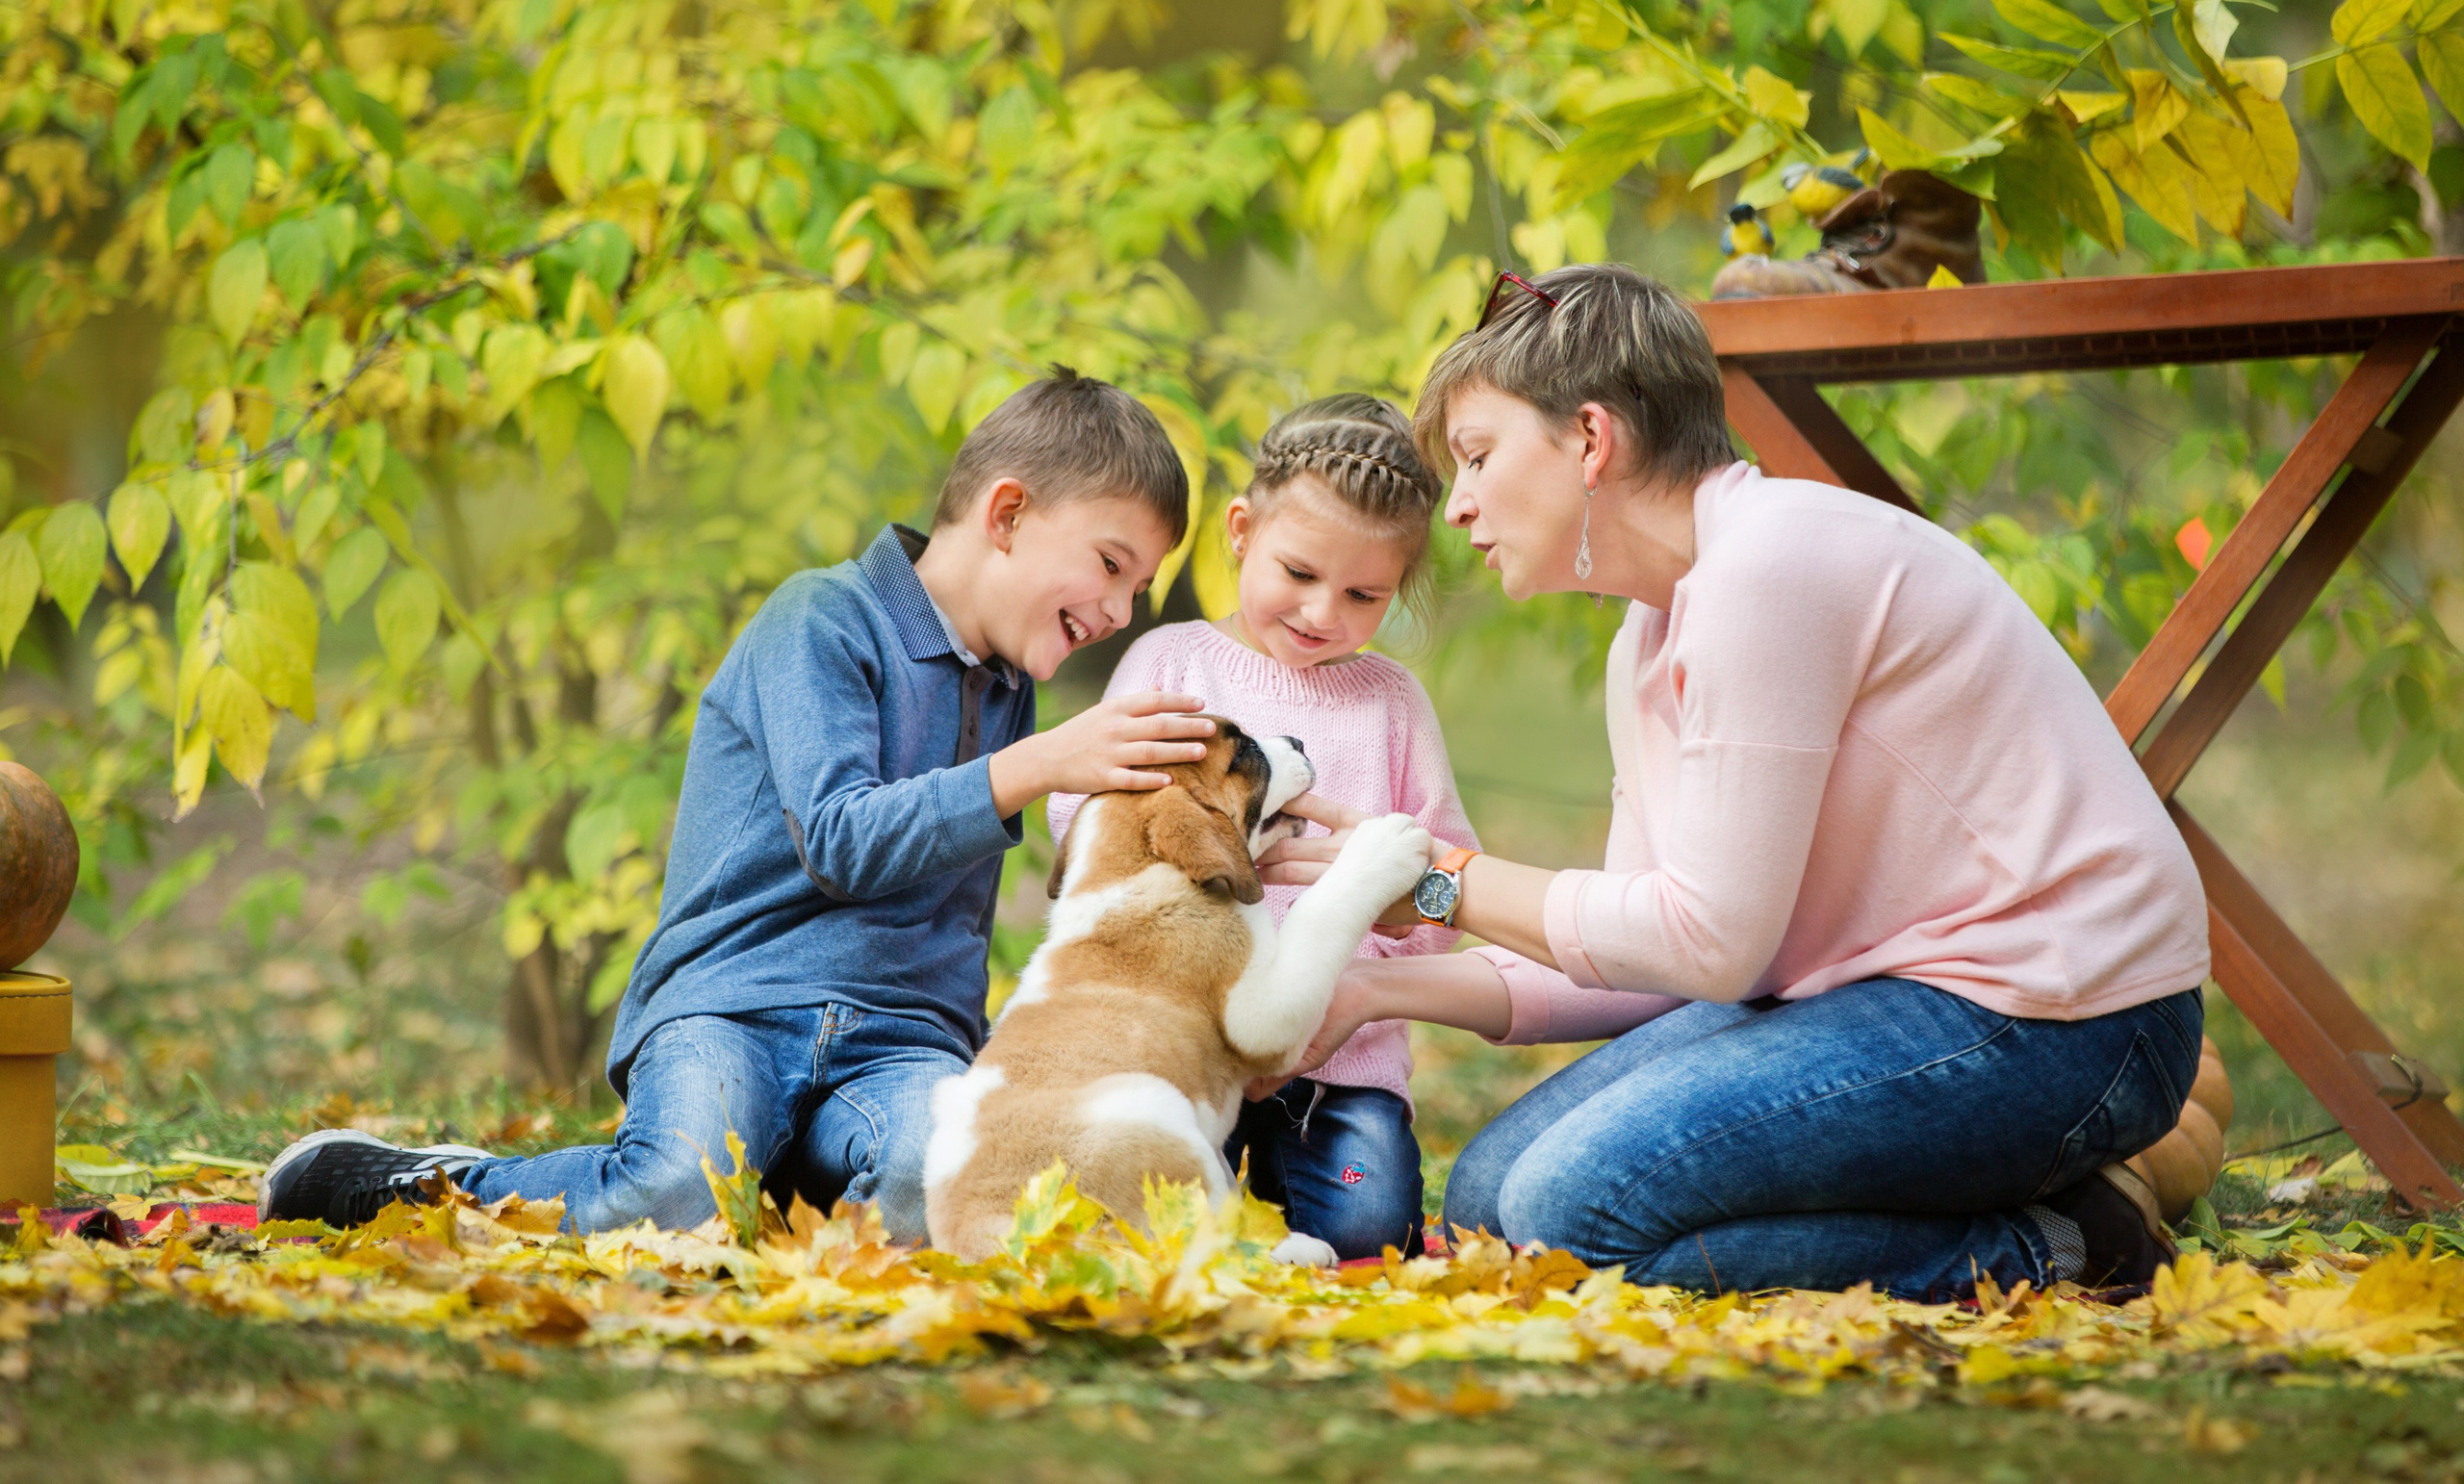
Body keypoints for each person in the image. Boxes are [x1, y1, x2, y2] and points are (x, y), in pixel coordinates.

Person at [1261, 265, 2210, 1301]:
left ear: (1589, 440)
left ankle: (2058, 1246)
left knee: (1559, 1217)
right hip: (1894, 1004)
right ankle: (2047, 1207)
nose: (1461, 509)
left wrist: (1438, 879)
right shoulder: (1654, 628)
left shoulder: (1772, 567)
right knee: (1490, 1201)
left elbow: (1706, 942)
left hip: (2064, 1022)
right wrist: (1365, 990)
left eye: (1479, 458)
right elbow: (1644, 957)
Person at [260, 368, 1223, 1235]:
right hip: (734, 1008)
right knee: (675, 1190)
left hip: (900, 1042)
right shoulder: (823, 619)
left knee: (937, 1184)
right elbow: (843, 840)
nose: (1120, 612)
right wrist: (1042, 764)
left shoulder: (1011, 692)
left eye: (1138, 588)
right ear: (1007, 515)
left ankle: (783, 1180)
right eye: (1109, 566)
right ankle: (443, 1184)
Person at [1047, 395, 1474, 1261]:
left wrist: (1345, 983)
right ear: (1241, 530)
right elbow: (1089, 821)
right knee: (1133, 1209)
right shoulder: (1172, 664)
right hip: (1179, 1038)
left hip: (1335, 1064)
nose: (1323, 612)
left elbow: (1443, 881)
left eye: (1364, 594)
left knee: (1365, 1232)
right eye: (1300, 573)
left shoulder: (1393, 704)